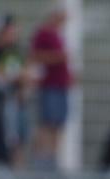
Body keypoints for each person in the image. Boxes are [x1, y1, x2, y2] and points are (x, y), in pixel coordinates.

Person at [31, 4, 73, 168]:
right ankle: (43, 164)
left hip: (61, 87)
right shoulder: (43, 33)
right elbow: (35, 56)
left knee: (58, 127)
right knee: (47, 127)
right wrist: (57, 57)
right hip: (50, 88)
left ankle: (53, 164)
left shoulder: (59, 34)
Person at [0, 14, 30, 165]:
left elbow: (26, 74)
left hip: (19, 103)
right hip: (1, 105)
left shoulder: (18, 52)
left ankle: (17, 174)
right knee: (3, 141)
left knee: (19, 141)